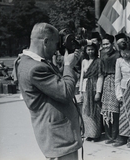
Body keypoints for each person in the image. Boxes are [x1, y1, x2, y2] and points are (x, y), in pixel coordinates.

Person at [15, 23, 82, 160]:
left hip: (58, 135)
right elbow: (66, 93)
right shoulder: (35, 68)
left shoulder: (29, 61)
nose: (57, 49)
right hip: (59, 139)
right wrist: (69, 66)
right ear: (46, 42)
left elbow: (56, 84)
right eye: (56, 43)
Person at [114, 43, 130, 147]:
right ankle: (125, 137)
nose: (125, 54)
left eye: (127, 52)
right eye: (123, 52)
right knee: (124, 114)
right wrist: (119, 95)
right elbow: (117, 80)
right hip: (124, 90)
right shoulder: (119, 61)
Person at [79, 42, 103, 142]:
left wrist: (98, 92)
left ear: (95, 50)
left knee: (95, 111)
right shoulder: (84, 61)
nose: (90, 51)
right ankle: (88, 133)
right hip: (85, 87)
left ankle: (96, 134)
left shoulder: (98, 61)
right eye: (88, 49)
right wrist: (80, 90)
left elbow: (100, 76)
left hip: (94, 87)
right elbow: (81, 76)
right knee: (86, 111)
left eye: (92, 49)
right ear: (85, 51)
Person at [100, 33, 121, 145]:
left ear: (112, 44)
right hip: (106, 81)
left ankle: (116, 135)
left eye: (107, 44)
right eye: (104, 44)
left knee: (115, 110)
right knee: (106, 110)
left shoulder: (118, 55)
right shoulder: (102, 55)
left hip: (115, 81)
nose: (106, 46)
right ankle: (108, 135)